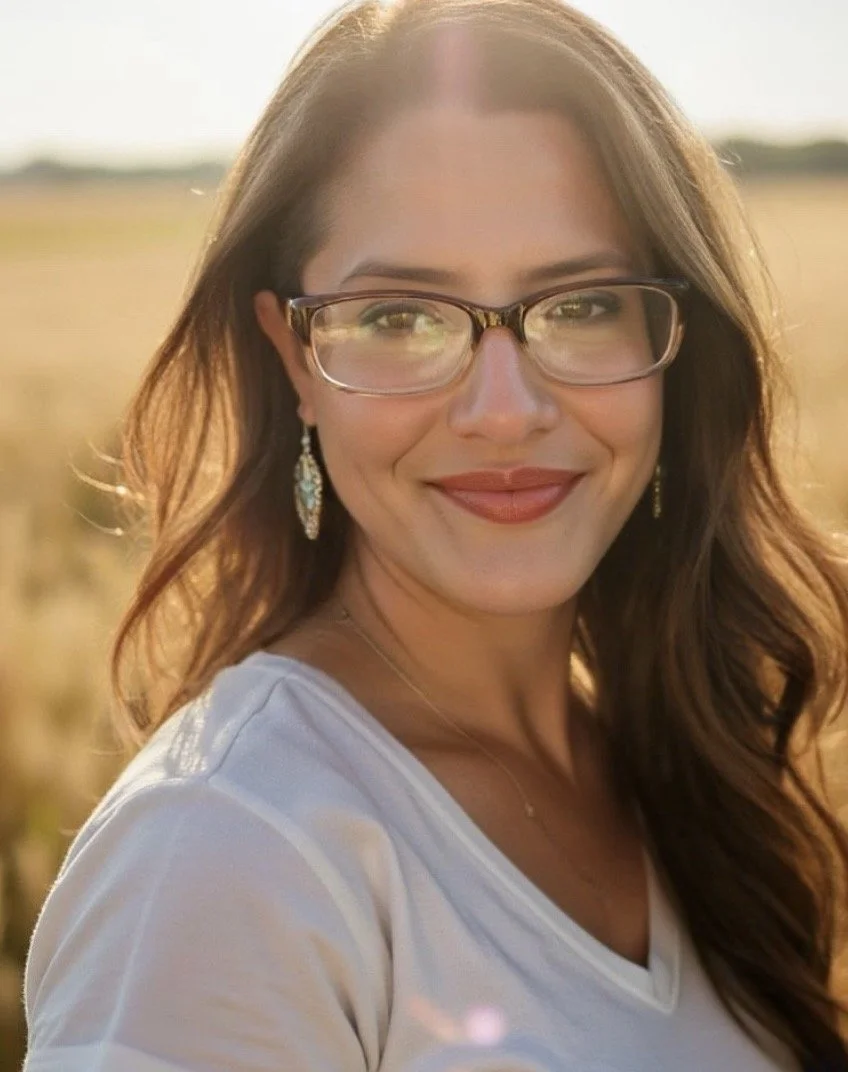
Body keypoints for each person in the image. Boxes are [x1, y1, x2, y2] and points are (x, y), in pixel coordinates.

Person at [22, 0, 848, 1069]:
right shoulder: (224, 852)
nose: (503, 409)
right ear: (292, 359)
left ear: (671, 344)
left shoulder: (681, 758)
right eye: (399, 317)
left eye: (582, 305)